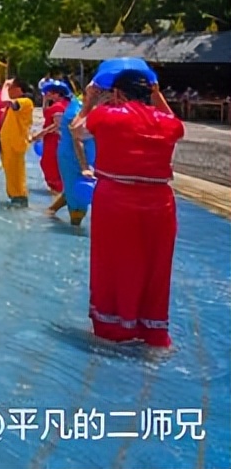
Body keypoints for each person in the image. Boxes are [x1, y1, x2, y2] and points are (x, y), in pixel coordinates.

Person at [73, 66, 183, 348]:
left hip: (116, 200)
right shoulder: (168, 123)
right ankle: (152, 330)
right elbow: (176, 123)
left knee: (114, 263)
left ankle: (114, 328)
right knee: (155, 267)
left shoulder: (108, 116)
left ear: (118, 93)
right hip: (160, 203)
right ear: (150, 93)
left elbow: (78, 130)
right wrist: (157, 96)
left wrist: (89, 100)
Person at [48, 89, 96, 226]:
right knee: (79, 198)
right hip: (75, 158)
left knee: (71, 188)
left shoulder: (78, 105)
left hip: (71, 155)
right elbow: (78, 140)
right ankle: (75, 228)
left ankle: (50, 211)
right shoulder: (79, 113)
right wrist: (84, 167)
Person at [0, 78, 35, 207]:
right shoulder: (18, 104)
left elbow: (5, 101)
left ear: (19, 89)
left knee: (16, 175)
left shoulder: (25, 102)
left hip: (15, 144)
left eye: (11, 87)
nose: (8, 90)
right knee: (11, 174)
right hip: (9, 144)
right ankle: (15, 198)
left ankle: (20, 199)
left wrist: (4, 86)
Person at [30, 81, 71, 193]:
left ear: (58, 94)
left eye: (50, 92)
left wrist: (39, 134)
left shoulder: (58, 106)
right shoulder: (64, 104)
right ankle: (58, 190)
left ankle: (55, 191)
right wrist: (45, 101)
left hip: (54, 140)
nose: (47, 94)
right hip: (59, 140)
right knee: (55, 165)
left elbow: (57, 125)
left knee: (49, 164)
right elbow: (47, 114)